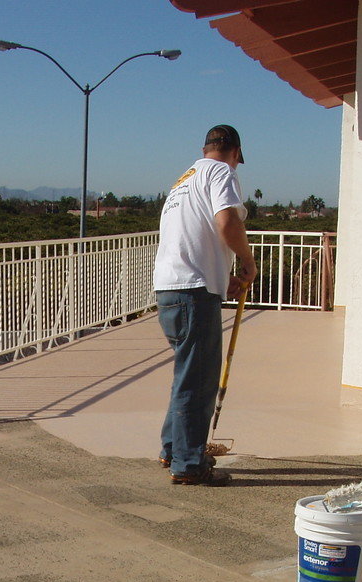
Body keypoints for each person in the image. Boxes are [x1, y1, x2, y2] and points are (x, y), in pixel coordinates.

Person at [152, 124, 258, 485]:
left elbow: (194, 235)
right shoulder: (221, 172)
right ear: (234, 152)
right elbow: (226, 222)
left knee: (188, 374)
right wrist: (247, 262)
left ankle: (172, 449)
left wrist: (220, 273)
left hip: (169, 290)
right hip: (193, 293)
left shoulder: (185, 179)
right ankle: (189, 464)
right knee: (198, 381)